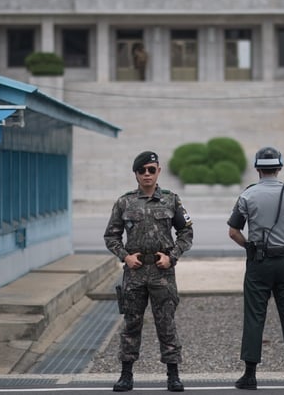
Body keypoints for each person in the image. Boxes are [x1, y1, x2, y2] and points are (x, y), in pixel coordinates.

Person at [104, 151, 193, 392]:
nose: (146, 174)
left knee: (166, 324)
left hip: (162, 272)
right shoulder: (124, 202)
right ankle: (126, 375)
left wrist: (171, 257)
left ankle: (173, 375)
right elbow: (111, 236)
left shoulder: (172, 200)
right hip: (135, 272)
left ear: (158, 172)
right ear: (135, 173)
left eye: (151, 170)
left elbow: (186, 233)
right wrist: (125, 256)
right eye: (142, 170)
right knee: (131, 323)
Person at [227, 146, 284, 390]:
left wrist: (249, 247)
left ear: (257, 169)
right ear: (280, 167)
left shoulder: (248, 196)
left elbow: (233, 232)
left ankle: (250, 375)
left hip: (258, 263)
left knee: (255, 316)